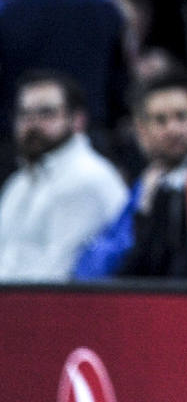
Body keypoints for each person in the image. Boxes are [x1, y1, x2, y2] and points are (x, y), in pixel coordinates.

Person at [0, 0, 130, 145]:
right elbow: (130, 17)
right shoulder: (99, 6)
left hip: (20, 145)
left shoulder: (4, 9)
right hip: (88, 139)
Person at [0, 70, 128, 281]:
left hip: (53, 310)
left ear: (77, 120)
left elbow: (57, 278)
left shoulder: (87, 178)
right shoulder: (18, 183)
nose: (32, 124)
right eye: (24, 114)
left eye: (46, 113)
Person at [115, 66, 187, 278]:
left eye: (182, 117)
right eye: (160, 120)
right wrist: (143, 212)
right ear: (141, 129)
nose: (173, 129)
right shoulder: (147, 183)